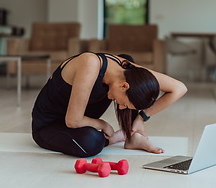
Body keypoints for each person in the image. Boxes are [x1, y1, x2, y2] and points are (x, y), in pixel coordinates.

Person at [31, 52, 187, 157]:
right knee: (91, 142)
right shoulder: (90, 64)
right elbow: (73, 121)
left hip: (78, 119)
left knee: (133, 68)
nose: (120, 107)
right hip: (49, 126)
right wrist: (102, 124)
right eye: (125, 104)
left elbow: (179, 88)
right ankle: (114, 138)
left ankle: (132, 136)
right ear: (124, 86)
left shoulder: (127, 70)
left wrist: (141, 117)